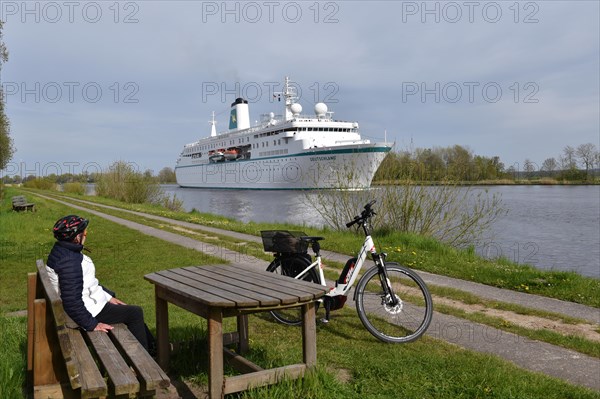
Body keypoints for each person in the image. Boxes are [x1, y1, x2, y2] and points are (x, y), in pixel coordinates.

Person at [46, 215, 155, 353]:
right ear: (76, 237)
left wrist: (109, 297)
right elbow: (72, 301)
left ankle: (155, 348)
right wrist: (91, 324)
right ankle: (147, 359)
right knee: (135, 313)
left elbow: (86, 283)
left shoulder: (64, 252)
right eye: (84, 232)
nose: (86, 234)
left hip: (91, 305)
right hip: (89, 312)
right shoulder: (70, 262)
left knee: (129, 309)